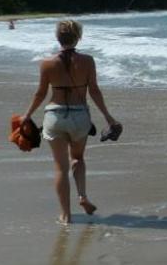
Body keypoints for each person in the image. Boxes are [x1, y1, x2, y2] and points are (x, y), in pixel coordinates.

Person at [21, 20, 120, 224]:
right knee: (78, 159)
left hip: (54, 117)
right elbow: (94, 91)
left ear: (57, 37)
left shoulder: (47, 63)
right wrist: (109, 118)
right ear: (78, 37)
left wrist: (27, 115)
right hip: (80, 116)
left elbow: (40, 93)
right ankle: (82, 196)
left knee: (60, 168)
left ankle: (65, 215)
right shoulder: (88, 61)